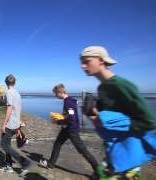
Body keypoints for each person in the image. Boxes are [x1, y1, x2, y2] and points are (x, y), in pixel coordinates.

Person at [80, 46, 156, 179]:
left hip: (129, 154)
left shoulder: (122, 85)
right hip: (113, 150)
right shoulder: (102, 88)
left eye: (87, 61)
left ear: (100, 60)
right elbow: (107, 116)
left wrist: (111, 121)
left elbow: (149, 120)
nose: (82, 66)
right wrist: (95, 115)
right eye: (82, 62)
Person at [39, 84, 98, 174]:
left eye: (55, 94)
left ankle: (97, 168)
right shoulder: (69, 100)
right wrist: (60, 116)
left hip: (72, 130)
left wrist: (58, 121)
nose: (55, 96)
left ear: (60, 92)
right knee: (57, 144)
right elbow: (68, 115)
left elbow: (71, 118)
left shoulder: (68, 102)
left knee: (82, 150)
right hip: (66, 129)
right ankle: (51, 164)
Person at [0, 74, 31, 176]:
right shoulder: (17, 93)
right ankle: (8, 166)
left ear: (6, 83)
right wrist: (20, 120)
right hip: (16, 123)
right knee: (7, 144)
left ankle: (24, 162)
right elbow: (19, 108)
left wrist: (4, 124)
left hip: (10, 124)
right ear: (14, 82)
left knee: (4, 144)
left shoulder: (9, 92)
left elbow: (9, 109)